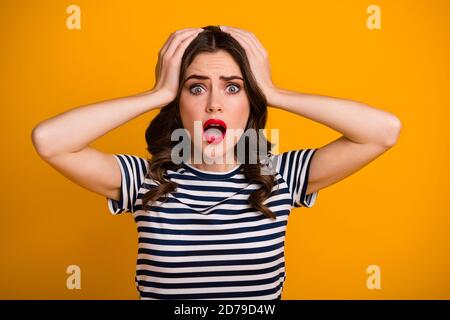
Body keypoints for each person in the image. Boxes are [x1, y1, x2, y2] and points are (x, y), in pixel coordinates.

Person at [31, 25, 402, 299]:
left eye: (233, 87)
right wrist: (157, 93)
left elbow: (383, 130)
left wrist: (274, 92)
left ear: (249, 102)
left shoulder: (280, 177)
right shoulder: (143, 180)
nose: (214, 103)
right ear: (179, 103)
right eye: (196, 87)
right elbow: (50, 141)